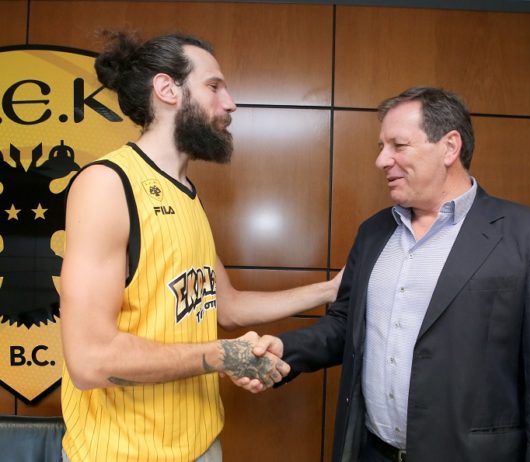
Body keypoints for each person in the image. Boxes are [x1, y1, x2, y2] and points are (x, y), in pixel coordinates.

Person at [60, 31, 342, 462]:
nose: (229, 103)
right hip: (124, 453)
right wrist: (223, 355)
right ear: (167, 89)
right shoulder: (108, 184)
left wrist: (330, 289)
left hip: (201, 445)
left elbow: (226, 306)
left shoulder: (188, 193)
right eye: (214, 86)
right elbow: (90, 361)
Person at [256, 87, 530, 461]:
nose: (381, 160)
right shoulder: (373, 233)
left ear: (450, 147)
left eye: (398, 146)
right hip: (373, 452)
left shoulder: (523, 235)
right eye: (381, 147)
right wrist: (285, 349)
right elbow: (345, 325)